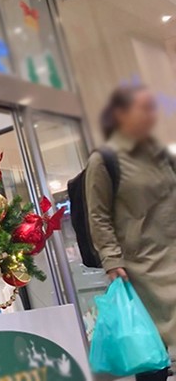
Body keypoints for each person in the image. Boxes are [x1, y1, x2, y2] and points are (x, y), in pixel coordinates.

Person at [86, 85, 175, 381]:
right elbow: (98, 214)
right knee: (150, 349)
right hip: (141, 267)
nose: (152, 115)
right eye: (144, 108)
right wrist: (111, 259)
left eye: (153, 108)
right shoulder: (105, 160)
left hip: (172, 254)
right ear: (120, 114)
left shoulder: (160, 155)